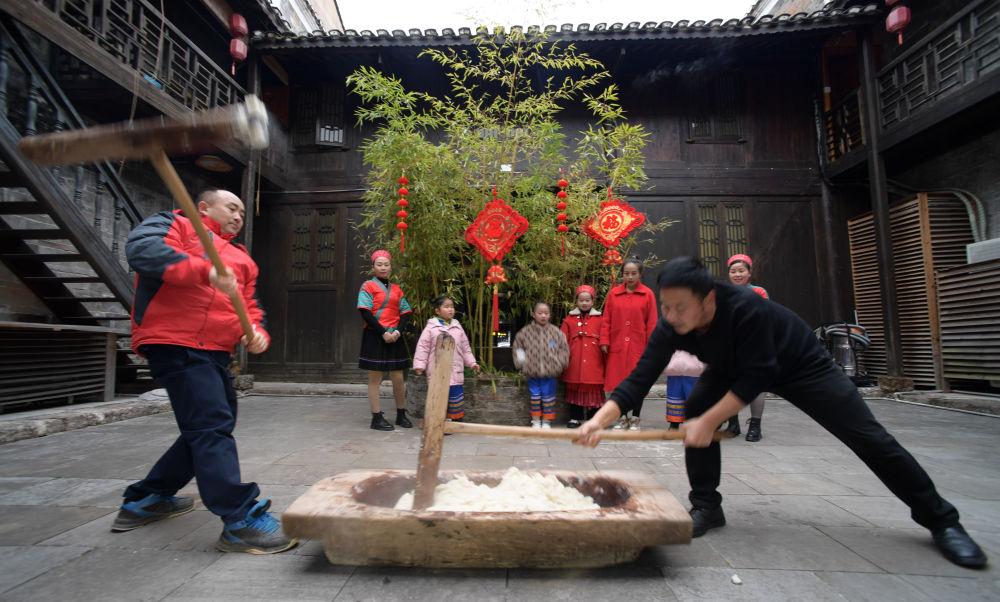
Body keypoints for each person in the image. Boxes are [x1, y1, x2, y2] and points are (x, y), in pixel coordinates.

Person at [576, 256, 988, 569]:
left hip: (800, 365)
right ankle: (706, 505)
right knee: (697, 406)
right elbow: (641, 376)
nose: (671, 317)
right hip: (732, 366)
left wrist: (708, 422)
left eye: (680, 308)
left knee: (868, 437)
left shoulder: (745, 307)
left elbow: (760, 374)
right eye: (666, 307)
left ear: (709, 299)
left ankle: (941, 519)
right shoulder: (671, 321)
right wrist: (600, 418)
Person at [112, 189, 296, 554]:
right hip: (175, 340)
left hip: (214, 349)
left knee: (210, 425)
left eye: (242, 211)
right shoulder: (176, 225)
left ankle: (148, 497)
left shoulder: (242, 259)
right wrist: (205, 271)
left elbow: (249, 305)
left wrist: (255, 331)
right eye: (231, 207)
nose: (239, 216)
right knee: (211, 424)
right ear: (203, 208)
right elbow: (142, 251)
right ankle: (239, 519)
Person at [357, 250, 413, 431]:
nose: (383, 267)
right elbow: (365, 312)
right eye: (379, 264)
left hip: (395, 335)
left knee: (398, 376)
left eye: (386, 264)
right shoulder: (367, 286)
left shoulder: (397, 289)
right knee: (375, 377)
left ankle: (401, 414)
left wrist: (397, 331)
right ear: (373, 267)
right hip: (375, 334)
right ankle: (376, 417)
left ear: (390, 267)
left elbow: (406, 312)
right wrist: (383, 333)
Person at [599, 257, 658, 431]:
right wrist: (604, 340)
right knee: (619, 384)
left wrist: (651, 346)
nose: (630, 277)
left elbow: (652, 323)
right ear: (622, 274)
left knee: (638, 383)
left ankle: (636, 417)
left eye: (633, 273)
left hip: (638, 347)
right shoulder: (614, 294)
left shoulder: (648, 294)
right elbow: (606, 320)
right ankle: (622, 417)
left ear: (640, 274)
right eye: (626, 273)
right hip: (617, 345)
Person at [412, 295, 480, 421]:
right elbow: (423, 347)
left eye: (452, 307)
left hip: (455, 371)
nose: (450, 309)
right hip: (437, 371)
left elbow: (465, 347)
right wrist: (419, 366)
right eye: (446, 307)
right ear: (437, 311)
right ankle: (436, 423)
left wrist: (472, 363)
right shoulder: (431, 328)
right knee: (437, 399)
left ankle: (456, 422)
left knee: (455, 399)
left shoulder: (457, 326)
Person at [726, 253, 769, 441]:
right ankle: (732, 423)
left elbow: (764, 316)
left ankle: (755, 425)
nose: (737, 274)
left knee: (756, 385)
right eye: (733, 271)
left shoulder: (759, 292)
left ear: (749, 273)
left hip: (755, 344)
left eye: (741, 271)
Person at [512, 302, 570, 429]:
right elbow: (518, 348)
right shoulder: (525, 332)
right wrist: (521, 363)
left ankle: (547, 421)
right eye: (540, 313)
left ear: (550, 315)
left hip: (550, 372)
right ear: (533, 314)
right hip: (532, 371)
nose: (543, 316)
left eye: (546, 313)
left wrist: (560, 363)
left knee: (549, 398)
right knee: (535, 397)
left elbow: (564, 349)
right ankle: (536, 421)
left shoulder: (556, 332)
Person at [560, 285, 605, 428]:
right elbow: (562, 340)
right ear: (576, 301)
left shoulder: (601, 319)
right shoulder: (569, 320)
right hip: (574, 361)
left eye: (587, 300)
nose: (584, 303)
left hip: (594, 360)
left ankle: (594, 419)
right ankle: (575, 417)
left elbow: (605, 338)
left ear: (593, 301)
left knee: (594, 390)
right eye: (581, 300)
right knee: (575, 389)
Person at [664, 350, 704, 430]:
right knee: (675, 396)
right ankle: (674, 424)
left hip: (694, 368)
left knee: (693, 398)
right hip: (675, 368)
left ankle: (694, 424)